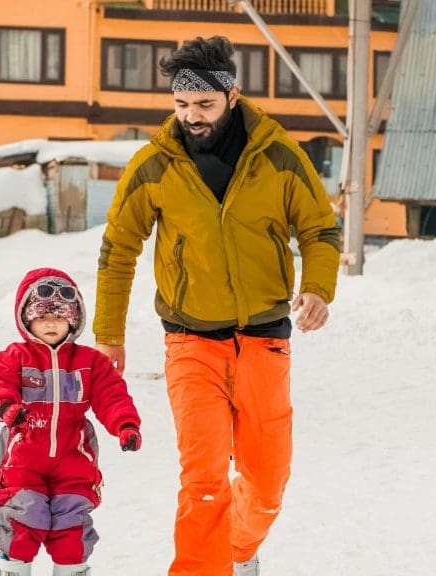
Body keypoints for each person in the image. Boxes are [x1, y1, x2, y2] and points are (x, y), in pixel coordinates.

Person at [93, 36, 341, 576]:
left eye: (203, 105)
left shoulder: (278, 156)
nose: (191, 117)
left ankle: (238, 550)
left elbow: (320, 229)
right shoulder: (155, 165)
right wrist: (109, 334)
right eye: (181, 106)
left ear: (232, 94)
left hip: (264, 340)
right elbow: (117, 250)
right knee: (204, 481)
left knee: (267, 481)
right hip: (190, 342)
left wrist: (318, 288)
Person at [0, 267, 142, 576]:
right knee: (23, 518)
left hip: (74, 459)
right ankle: (14, 570)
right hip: (23, 458)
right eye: (41, 317)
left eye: (59, 316)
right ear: (27, 320)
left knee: (72, 527)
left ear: (74, 318)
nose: (51, 323)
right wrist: (6, 408)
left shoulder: (90, 362)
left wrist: (125, 425)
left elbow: (112, 395)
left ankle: (72, 571)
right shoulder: (14, 357)